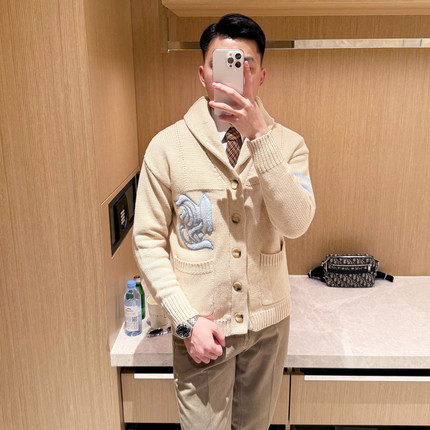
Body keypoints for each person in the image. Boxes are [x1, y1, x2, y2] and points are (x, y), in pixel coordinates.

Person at [133, 13, 316, 430]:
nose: (238, 73)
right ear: (203, 74)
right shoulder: (167, 147)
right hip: (201, 330)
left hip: (268, 329)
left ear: (261, 76)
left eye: (247, 64)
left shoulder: (288, 145)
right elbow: (147, 241)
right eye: (224, 63)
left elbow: (295, 223)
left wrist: (261, 139)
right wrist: (184, 320)